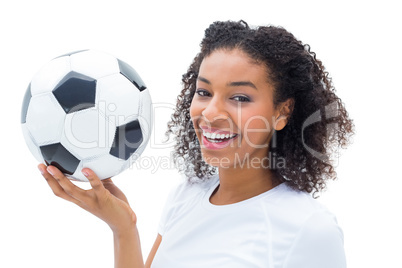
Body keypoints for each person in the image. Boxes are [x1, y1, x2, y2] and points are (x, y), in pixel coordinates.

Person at [38, 20, 354, 268]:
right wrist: (124, 229)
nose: (210, 112)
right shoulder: (187, 196)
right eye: (203, 92)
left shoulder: (309, 229)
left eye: (240, 98)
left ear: (282, 112)